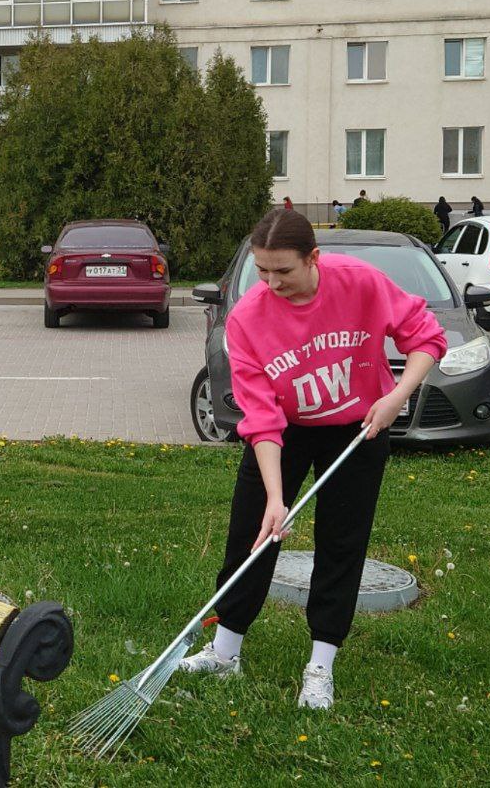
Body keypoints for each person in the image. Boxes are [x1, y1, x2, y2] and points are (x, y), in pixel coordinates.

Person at [178, 208, 446, 711]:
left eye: (283, 270)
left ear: (313, 258)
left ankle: (321, 663)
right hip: (286, 432)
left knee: (342, 542)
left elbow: (426, 338)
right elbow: (261, 418)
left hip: (358, 428)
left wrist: (397, 396)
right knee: (252, 535)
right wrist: (275, 498)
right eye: (262, 270)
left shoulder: (360, 282)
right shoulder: (248, 318)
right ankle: (225, 652)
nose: (271, 283)